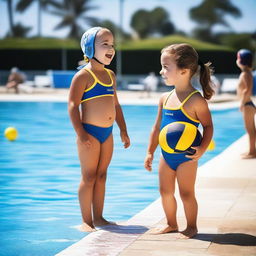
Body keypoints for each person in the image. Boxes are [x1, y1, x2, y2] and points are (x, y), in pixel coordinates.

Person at [144, 43, 214, 238]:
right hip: (165, 155)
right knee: (165, 191)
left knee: (186, 193)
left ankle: (191, 226)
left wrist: (202, 149)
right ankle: (171, 223)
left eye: (166, 67)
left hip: (187, 157)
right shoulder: (164, 98)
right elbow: (157, 128)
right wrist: (150, 151)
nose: (161, 71)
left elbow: (208, 126)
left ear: (184, 71)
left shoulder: (196, 100)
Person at [68, 27, 130, 232]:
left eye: (112, 44)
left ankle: (100, 217)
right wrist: (81, 133)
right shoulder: (83, 76)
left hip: (107, 133)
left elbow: (116, 104)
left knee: (102, 175)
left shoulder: (110, 75)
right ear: (89, 48)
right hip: (89, 134)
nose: (111, 48)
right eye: (105, 44)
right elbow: (72, 106)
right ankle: (86, 221)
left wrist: (123, 129)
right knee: (89, 177)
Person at [236, 49, 256, 159]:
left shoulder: (245, 74)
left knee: (250, 130)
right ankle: (252, 150)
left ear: (241, 60)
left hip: (247, 105)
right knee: (251, 129)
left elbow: (246, 90)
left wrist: (242, 103)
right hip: (249, 104)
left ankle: (252, 152)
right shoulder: (247, 73)